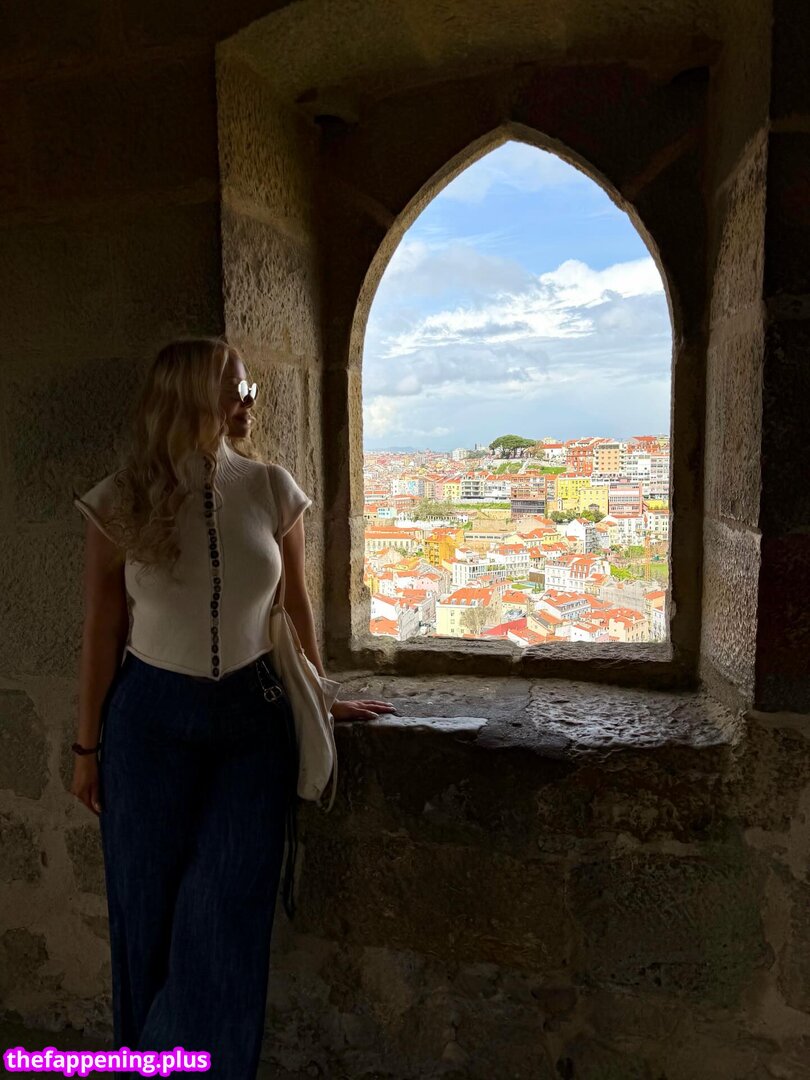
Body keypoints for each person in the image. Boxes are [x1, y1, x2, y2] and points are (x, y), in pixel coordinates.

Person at [70, 337, 396, 1078]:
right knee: (144, 918)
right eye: (235, 389)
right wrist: (86, 748)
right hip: (147, 723)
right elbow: (101, 629)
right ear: (189, 396)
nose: (249, 402)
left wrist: (320, 697)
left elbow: (296, 609)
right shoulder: (119, 499)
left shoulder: (273, 489)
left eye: (249, 389)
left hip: (253, 723)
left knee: (225, 922)